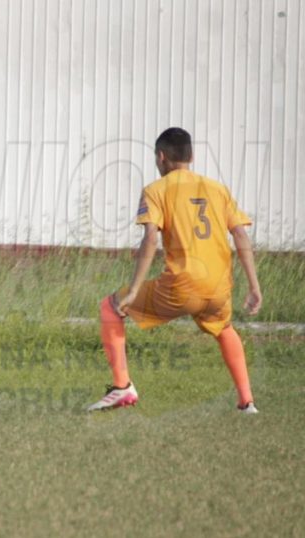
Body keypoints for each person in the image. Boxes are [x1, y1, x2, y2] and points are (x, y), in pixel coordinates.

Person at [87, 127, 262, 414]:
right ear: (191, 156)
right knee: (225, 329)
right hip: (218, 287)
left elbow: (151, 238)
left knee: (110, 307)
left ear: (161, 157)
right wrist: (255, 287)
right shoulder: (218, 189)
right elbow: (241, 235)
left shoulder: (156, 190)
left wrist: (133, 291)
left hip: (182, 285)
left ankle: (122, 387)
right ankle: (247, 402)